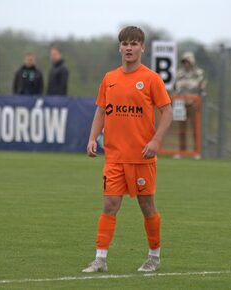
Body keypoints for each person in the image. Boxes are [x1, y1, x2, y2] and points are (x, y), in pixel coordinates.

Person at [83, 26, 173, 273]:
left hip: (141, 157)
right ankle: (100, 259)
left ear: (142, 48)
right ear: (119, 47)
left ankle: (154, 256)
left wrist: (155, 142)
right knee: (110, 205)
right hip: (114, 157)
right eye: (125, 43)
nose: (129, 48)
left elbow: (167, 112)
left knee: (147, 207)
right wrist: (92, 138)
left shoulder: (152, 79)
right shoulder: (109, 78)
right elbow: (101, 111)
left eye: (134, 43)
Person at [172, 52, 207, 151]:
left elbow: (203, 90)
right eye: (184, 62)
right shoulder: (178, 74)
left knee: (196, 129)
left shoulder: (199, 73)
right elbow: (175, 88)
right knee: (181, 130)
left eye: (187, 61)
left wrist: (199, 102)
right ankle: (182, 151)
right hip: (180, 105)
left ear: (192, 62)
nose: (185, 64)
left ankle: (197, 151)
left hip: (194, 104)